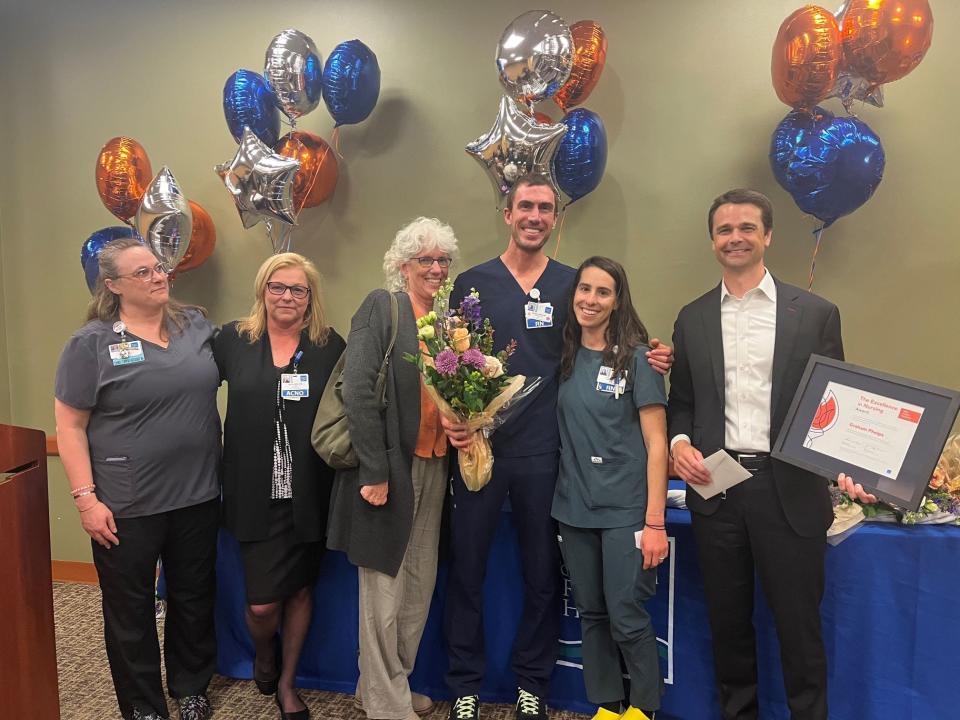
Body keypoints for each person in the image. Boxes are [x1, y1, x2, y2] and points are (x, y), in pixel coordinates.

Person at [441, 175, 673, 720]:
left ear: (555, 220)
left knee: (541, 577)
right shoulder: (471, 284)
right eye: (526, 206)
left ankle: (531, 683)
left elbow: (608, 341)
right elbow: (446, 365)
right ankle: (465, 685)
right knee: (466, 570)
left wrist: (655, 354)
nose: (535, 216)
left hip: (547, 457)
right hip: (479, 453)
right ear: (508, 213)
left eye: (546, 208)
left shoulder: (574, 286)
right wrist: (454, 420)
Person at [667, 189, 844, 720]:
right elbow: (683, 402)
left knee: (799, 631)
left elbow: (832, 406)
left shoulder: (815, 314)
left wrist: (850, 466)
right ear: (713, 241)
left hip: (789, 491)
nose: (735, 237)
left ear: (767, 236)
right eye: (724, 230)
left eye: (747, 227)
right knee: (728, 628)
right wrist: (679, 446)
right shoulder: (692, 317)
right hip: (716, 491)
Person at [54, 237, 220, 720]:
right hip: (125, 502)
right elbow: (69, 426)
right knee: (130, 611)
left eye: (158, 267)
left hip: (198, 493)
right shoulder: (91, 344)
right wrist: (86, 499)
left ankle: (191, 686)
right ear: (113, 286)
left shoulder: (195, 326)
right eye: (142, 272)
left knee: (193, 596)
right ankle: (143, 706)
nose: (158, 276)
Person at [327, 217, 459, 720]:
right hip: (390, 471)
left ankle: (389, 685)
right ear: (402, 266)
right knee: (383, 587)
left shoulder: (445, 324)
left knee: (418, 585)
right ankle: (385, 705)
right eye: (425, 260)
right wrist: (375, 472)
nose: (436, 268)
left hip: (435, 466)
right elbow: (358, 390)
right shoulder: (383, 308)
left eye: (443, 260)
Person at [215, 253, 345, 720]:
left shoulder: (328, 345)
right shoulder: (233, 340)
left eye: (297, 290)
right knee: (262, 603)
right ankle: (263, 653)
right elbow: (190, 392)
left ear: (311, 299)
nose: (286, 297)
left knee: (300, 592)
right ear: (262, 290)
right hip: (253, 494)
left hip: (309, 493)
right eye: (277, 287)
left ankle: (287, 683)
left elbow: (351, 410)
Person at [553, 257, 669, 720]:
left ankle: (643, 710)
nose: (590, 300)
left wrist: (655, 521)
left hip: (626, 511)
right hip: (573, 509)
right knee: (593, 615)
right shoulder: (562, 356)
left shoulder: (640, 359)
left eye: (603, 292)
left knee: (626, 616)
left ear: (617, 301)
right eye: (584, 289)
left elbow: (657, 444)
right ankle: (606, 706)